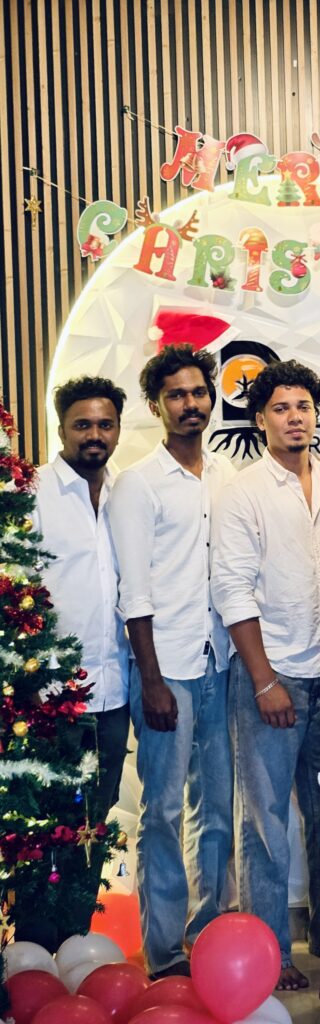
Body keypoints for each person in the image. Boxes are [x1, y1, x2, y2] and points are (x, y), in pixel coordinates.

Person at [210, 360, 320, 991]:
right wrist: (264, 680)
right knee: (265, 819)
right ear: (260, 419)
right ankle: (271, 951)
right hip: (272, 676)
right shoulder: (243, 493)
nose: (296, 418)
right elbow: (232, 589)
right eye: (282, 408)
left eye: (304, 407)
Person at [109, 344, 235, 979]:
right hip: (166, 669)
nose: (191, 404)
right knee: (160, 811)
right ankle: (163, 954)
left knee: (216, 808)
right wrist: (152, 680)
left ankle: (209, 935)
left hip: (219, 660)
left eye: (199, 392)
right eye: (177, 395)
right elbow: (133, 590)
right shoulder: (138, 483)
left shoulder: (224, 474)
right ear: (156, 406)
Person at [26, 375, 130, 943]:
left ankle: (75, 941)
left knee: (96, 822)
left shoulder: (126, 494)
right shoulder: (34, 493)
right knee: (47, 827)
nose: (95, 435)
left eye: (105, 424)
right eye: (82, 425)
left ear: (118, 429)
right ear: (61, 428)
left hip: (115, 693)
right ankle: (35, 946)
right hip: (51, 698)